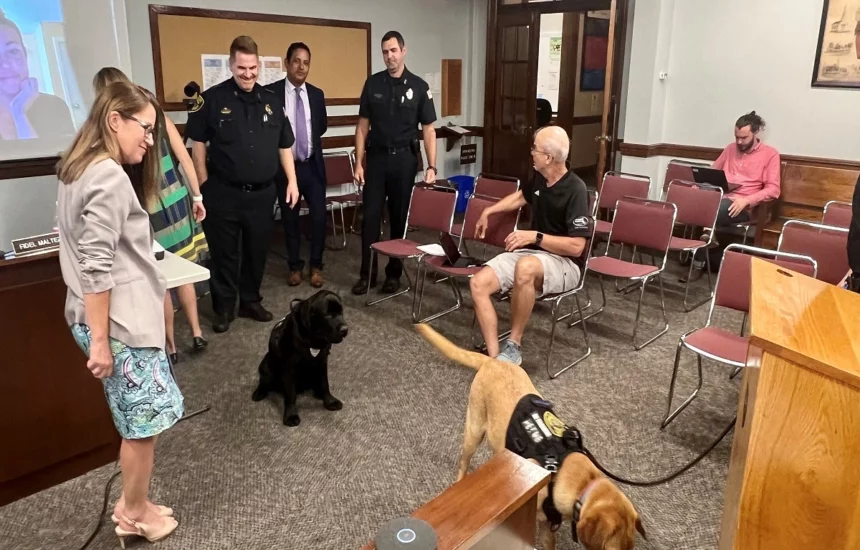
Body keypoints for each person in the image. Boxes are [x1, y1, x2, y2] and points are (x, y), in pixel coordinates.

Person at [56, 80, 182, 545]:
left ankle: (138, 501)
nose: (150, 140)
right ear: (115, 120)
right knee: (142, 428)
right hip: (122, 326)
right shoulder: (107, 175)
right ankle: (133, 513)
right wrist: (103, 341)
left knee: (137, 422)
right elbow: (96, 267)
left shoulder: (77, 168)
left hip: (105, 320)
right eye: (145, 129)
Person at [94, 67, 209, 362]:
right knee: (183, 270)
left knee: (159, 279)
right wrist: (196, 195)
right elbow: (184, 157)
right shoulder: (155, 114)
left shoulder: (110, 132)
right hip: (177, 200)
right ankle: (196, 332)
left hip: (150, 209)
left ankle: (169, 345)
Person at [186, 36, 299, 333]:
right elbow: (197, 143)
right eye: (241, 68)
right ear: (231, 65)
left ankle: (250, 300)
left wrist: (292, 181)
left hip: (262, 194)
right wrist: (203, 184)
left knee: (257, 250)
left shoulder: (272, 101)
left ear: (259, 65)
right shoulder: (212, 100)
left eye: (252, 68)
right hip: (223, 192)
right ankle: (224, 308)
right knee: (225, 253)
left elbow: (285, 145)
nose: (247, 74)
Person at [469, 127, 592, 365]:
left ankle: (513, 345)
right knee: (478, 283)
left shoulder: (576, 189)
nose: (531, 152)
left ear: (548, 158)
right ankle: (496, 360)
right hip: (534, 253)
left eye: (535, 149)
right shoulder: (540, 178)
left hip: (565, 263)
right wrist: (489, 210)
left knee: (525, 268)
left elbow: (577, 246)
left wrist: (535, 237)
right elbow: (519, 198)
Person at [351, 30, 438, 296]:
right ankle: (367, 275)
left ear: (403, 51)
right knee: (371, 219)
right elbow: (362, 127)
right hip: (376, 159)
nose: (389, 56)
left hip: (404, 160)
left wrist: (432, 166)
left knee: (399, 219)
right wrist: (358, 162)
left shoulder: (419, 87)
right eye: (385, 52)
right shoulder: (373, 84)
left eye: (393, 50)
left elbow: (429, 130)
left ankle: (393, 274)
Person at [267, 42, 328, 288]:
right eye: (296, 61)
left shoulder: (316, 94)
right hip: (285, 168)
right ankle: (294, 266)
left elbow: (319, 127)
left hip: (312, 166)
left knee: (319, 218)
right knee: (290, 218)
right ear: (287, 63)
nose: (301, 67)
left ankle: (316, 265)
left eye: (306, 62)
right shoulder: (271, 93)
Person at [691, 111, 781, 273]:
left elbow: (773, 189)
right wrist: (699, 186)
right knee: (693, 199)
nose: (739, 142)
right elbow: (713, 172)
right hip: (719, 197)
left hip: (741, 206)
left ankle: (703, 248)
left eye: (744, 138)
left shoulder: (770, 154)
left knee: (714, 207)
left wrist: (747, 200)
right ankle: (706, 241)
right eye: (736, 137)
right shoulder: (730, 149)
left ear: (755, 132)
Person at [0, 9, 75, 140]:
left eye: (12, 51)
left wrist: (19, 112)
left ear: (25, 55)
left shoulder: (54, 106)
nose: (5, 64)